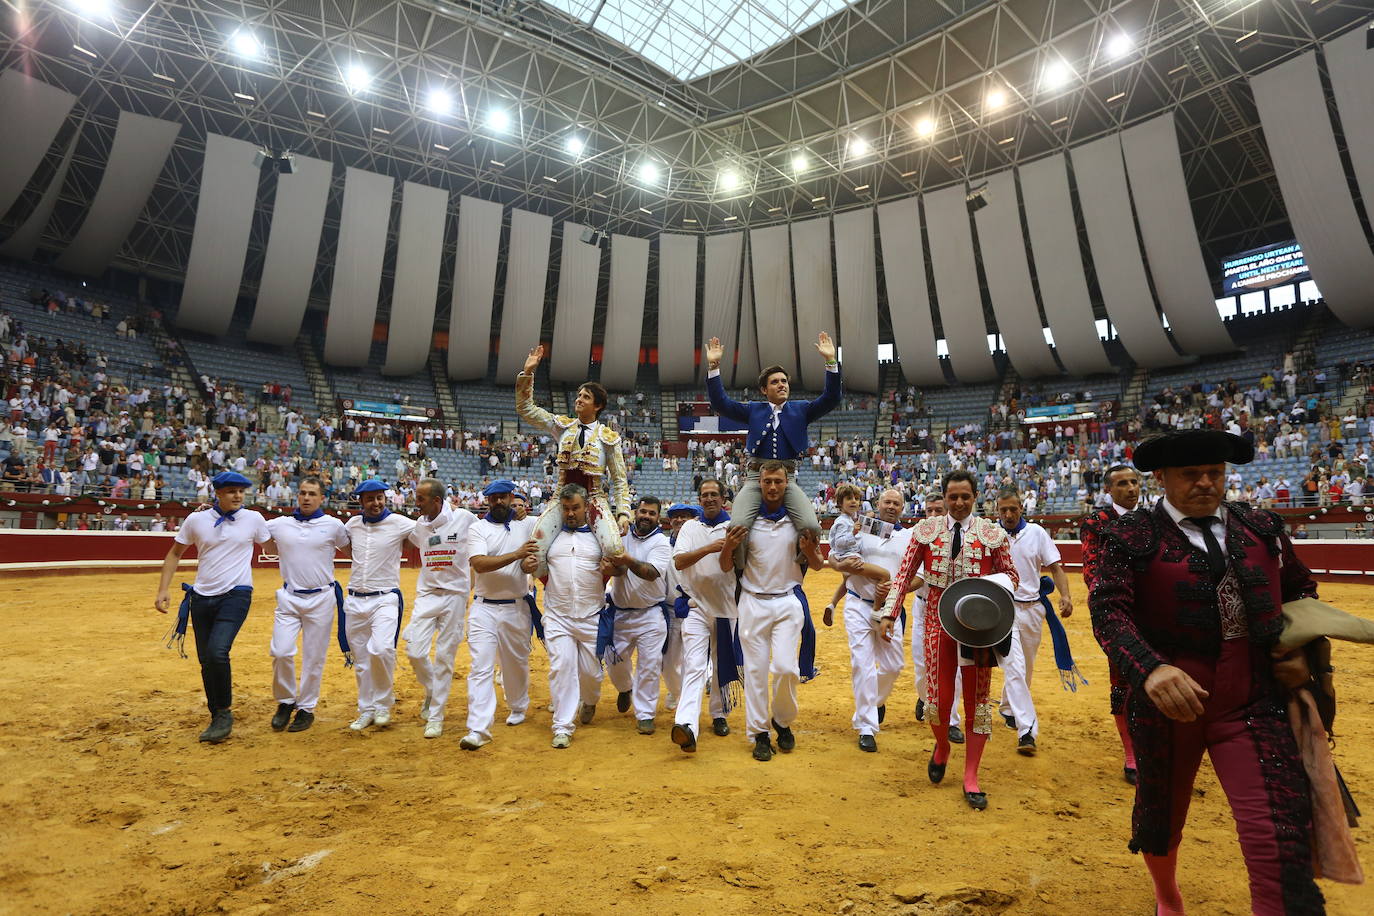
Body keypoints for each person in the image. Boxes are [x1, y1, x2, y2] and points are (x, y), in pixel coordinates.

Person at [1088, 429, 1325, 916]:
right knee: (1162, 812)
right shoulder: (1129, 536)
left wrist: (1300, 648)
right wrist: (1149, 669)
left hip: (1253, 696)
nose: (1205, 483)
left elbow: (1301, 589)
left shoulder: (1261, 527)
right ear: (1163, 478)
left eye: (1215, 473)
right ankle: (1168, 897)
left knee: (1276, 822)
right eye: (1191, 474)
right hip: (1170, 703)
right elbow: (1109, 612)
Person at [878, 469, 1018, 810]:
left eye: (965, 497)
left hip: (979, 627)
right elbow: (904, 576)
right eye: (953, 497)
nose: (958, 503)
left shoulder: (991, 533)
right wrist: (888, 614)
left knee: (978, 702)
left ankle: (971, 775)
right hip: (938, 621)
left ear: (975, 498)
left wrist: (990, 589)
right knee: (937, 700)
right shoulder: (925, 532)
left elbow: (1013, 575)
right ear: (943, 497)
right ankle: (942, 746)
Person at [703, 332, 840, 570]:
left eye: (784, 381)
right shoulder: (754, 410)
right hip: (756, 477)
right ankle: (741, 573)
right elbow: (720, 403)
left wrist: (830, 362)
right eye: (775, 382)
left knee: (811, 526)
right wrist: (714, 366)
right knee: (737, 526)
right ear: (764, 390)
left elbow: (831, 398)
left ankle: (796, 568)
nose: (781, 385)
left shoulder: (801, 409)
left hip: (788, 477)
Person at [153, 471, 271, 744]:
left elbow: (274, 543)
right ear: (218, 493)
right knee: (206, 659)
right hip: (202, 597)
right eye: (231, 491)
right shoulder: (196, 520)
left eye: (241, 491)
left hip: (237, 594)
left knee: (218, 652)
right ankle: (216, 712)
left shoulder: (253, 518)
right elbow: (174, 553)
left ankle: (225, 712)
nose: (238, 496)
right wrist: (163, 589)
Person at [718, 461, 820, 762]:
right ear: (758, 484)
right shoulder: (744, 526)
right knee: (755, 672)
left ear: (787, 483)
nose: (773, 487)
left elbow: (815, 565)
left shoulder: (797, 523)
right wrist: (728, 546)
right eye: (767, 482)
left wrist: (811, 549)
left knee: (787, 669)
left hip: (788, 600)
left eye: (778, 481)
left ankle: (782, 720)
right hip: (752, 601)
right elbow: (726, 566)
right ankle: (760, 733)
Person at [516, 346, 631, 577]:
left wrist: (624, 512)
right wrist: (527, 373)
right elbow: (526, 409)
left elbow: (619, 480)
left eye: (585, 397)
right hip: (562, 497)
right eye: (579, 395)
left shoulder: (608, 437)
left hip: (595, 499)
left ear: (597, 406)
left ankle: (596, 590)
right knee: (534, 550)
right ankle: (554, 588)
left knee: (615, 549)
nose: (579, 399)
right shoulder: (563, 426)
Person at [826, 487, 909, 753]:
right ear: (878, 503)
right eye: (887, 501)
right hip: (857, 604)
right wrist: (837, 565)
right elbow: (835, 552)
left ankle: (875, 702)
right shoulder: (865, 527)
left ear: (903, 508)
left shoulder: (907, 537)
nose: (892, 506)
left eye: (897, 503)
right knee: (863, 664)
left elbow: (919, 575)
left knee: (894, 665)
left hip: (889, 609)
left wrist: (896, 588)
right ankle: (866, 727)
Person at [265, 475, 350, 734]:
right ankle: (286, 700)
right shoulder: (279, 524)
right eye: (302, 492)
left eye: (312, 493)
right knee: (281, 651)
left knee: (314, 657)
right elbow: (254, 532)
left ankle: (306, 708)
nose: (306, 497)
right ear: (297, 495)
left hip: (322, 598)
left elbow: (354, 553)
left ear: (322, 498)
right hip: (289, 596)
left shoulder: (334, 525)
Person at [534, 483, 616, 748]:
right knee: (561, 669)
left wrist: (614, 569)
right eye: (566, 509)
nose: (570, 513)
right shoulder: (550, 538)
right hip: (558, 616)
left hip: (592, 615)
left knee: (592, 674)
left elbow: (616, 569)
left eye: (575, 508)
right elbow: (536, 567)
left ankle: (590, 700)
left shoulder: (599, 538)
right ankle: (562, 726)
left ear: (585, 508)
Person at [459, 481, 538, 751]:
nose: (499, 502)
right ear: (487, 501)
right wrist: (517, 555)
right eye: (493, 499)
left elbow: (554, 519)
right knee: (480, 666)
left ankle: (518, 705)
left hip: (517, 606)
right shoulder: (477, 528)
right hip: (484, 607)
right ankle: (478, 728)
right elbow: (479, 564)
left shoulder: (527, 524)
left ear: (512, 498)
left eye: (503, 497)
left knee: (515, 664)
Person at [994, 489, 1072, 755]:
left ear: (1021, 508)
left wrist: (1066, 596)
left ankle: (1007, 707)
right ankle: (1027, 730)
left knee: (1024, 666)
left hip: (1034, 608)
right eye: (1003, 510)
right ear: (997, 510)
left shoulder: (1037, 533)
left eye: (1012, 509)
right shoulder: (992, 535)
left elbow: (1056, 568)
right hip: (1004, 609)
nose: (1008, 514)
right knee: (1014, 665)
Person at [1080, 464, 1143, 784]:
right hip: (1119, 614)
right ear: (1109, 490)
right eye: (1122, 484)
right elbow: (1092, 570)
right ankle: (1131, 754)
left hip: (1156, 613)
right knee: (1123, 682)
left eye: (1134, 482)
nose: (1130, 488)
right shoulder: (1097, 522)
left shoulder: (1153, 519)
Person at [404, 477, 477, 739]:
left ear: (437, 500)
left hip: (455, 597)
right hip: (427, 595)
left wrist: (471, 583)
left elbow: (482, 542)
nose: (416, 503)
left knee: (445, 656)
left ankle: (436, 715)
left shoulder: (465, 519)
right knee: (414, 650)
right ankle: (432, 689)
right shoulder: (418, 526)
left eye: (421, 498)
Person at [670, 479, 740, 752]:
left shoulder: (734, 526)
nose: (709, 499)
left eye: (714, 495)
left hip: (728, 608)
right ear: (699, 500)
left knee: (722, 662)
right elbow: (680, 561)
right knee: (695, 665)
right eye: (704, 495)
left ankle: (719, 713)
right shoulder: (690, 526)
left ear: (724, 498)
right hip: (697, 606)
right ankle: (686, 724)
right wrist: (711, 548)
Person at [342, 480, 416, 731]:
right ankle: (366, 709)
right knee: (361, 660)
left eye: (379, 498)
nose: (376, 503)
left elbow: (426, 532)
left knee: (382, 649)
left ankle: (383, 704)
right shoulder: (351, 525)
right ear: (361, 501)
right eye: (370, 499)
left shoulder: (400, 523)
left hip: (385, 598)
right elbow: (345, 548)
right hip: (354, 600)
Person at [604, 496, 673, 734]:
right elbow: (616, 567)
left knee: (649, 666)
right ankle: (625, 688)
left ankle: (645, 714)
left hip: (651, 614)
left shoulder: (662, 544)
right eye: (642, 511)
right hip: (620, 612)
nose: (645, 516)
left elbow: (651, 572)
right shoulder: (620, 535)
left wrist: (626, 560)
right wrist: (611, 567)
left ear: (658, 518)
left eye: (651, 513)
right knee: (613, 662)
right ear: (635, 512)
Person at [825, 483, 865, 564]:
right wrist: (853, 533)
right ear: (840, 503)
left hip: (848, 554)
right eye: (849, 498)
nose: (853, 501)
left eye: (856, 499)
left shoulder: (849, 519)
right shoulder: (842, 521)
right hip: (845, 556)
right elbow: (839, 543)